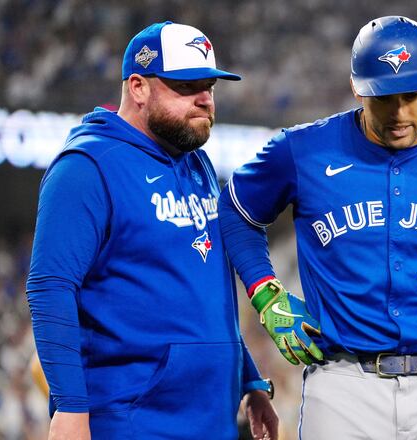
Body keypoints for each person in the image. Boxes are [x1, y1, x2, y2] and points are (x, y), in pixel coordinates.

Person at [218, 15, 417, 439]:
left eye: (410, 95)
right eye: (383, 97)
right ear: (358, 90)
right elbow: (236, 210)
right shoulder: (301, 150)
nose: (399, 112)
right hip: (341, 384)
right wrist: (266, 293)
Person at [26, 21, 278, 439]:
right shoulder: (86, 168)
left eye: (210, 87)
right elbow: (50, 286)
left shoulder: (195, 162)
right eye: (187, 86)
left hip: (210, 418)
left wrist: (249, 378)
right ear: (138, 87)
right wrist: (69, 410)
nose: (204, 100)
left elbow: (207, 291)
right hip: (131, 420)